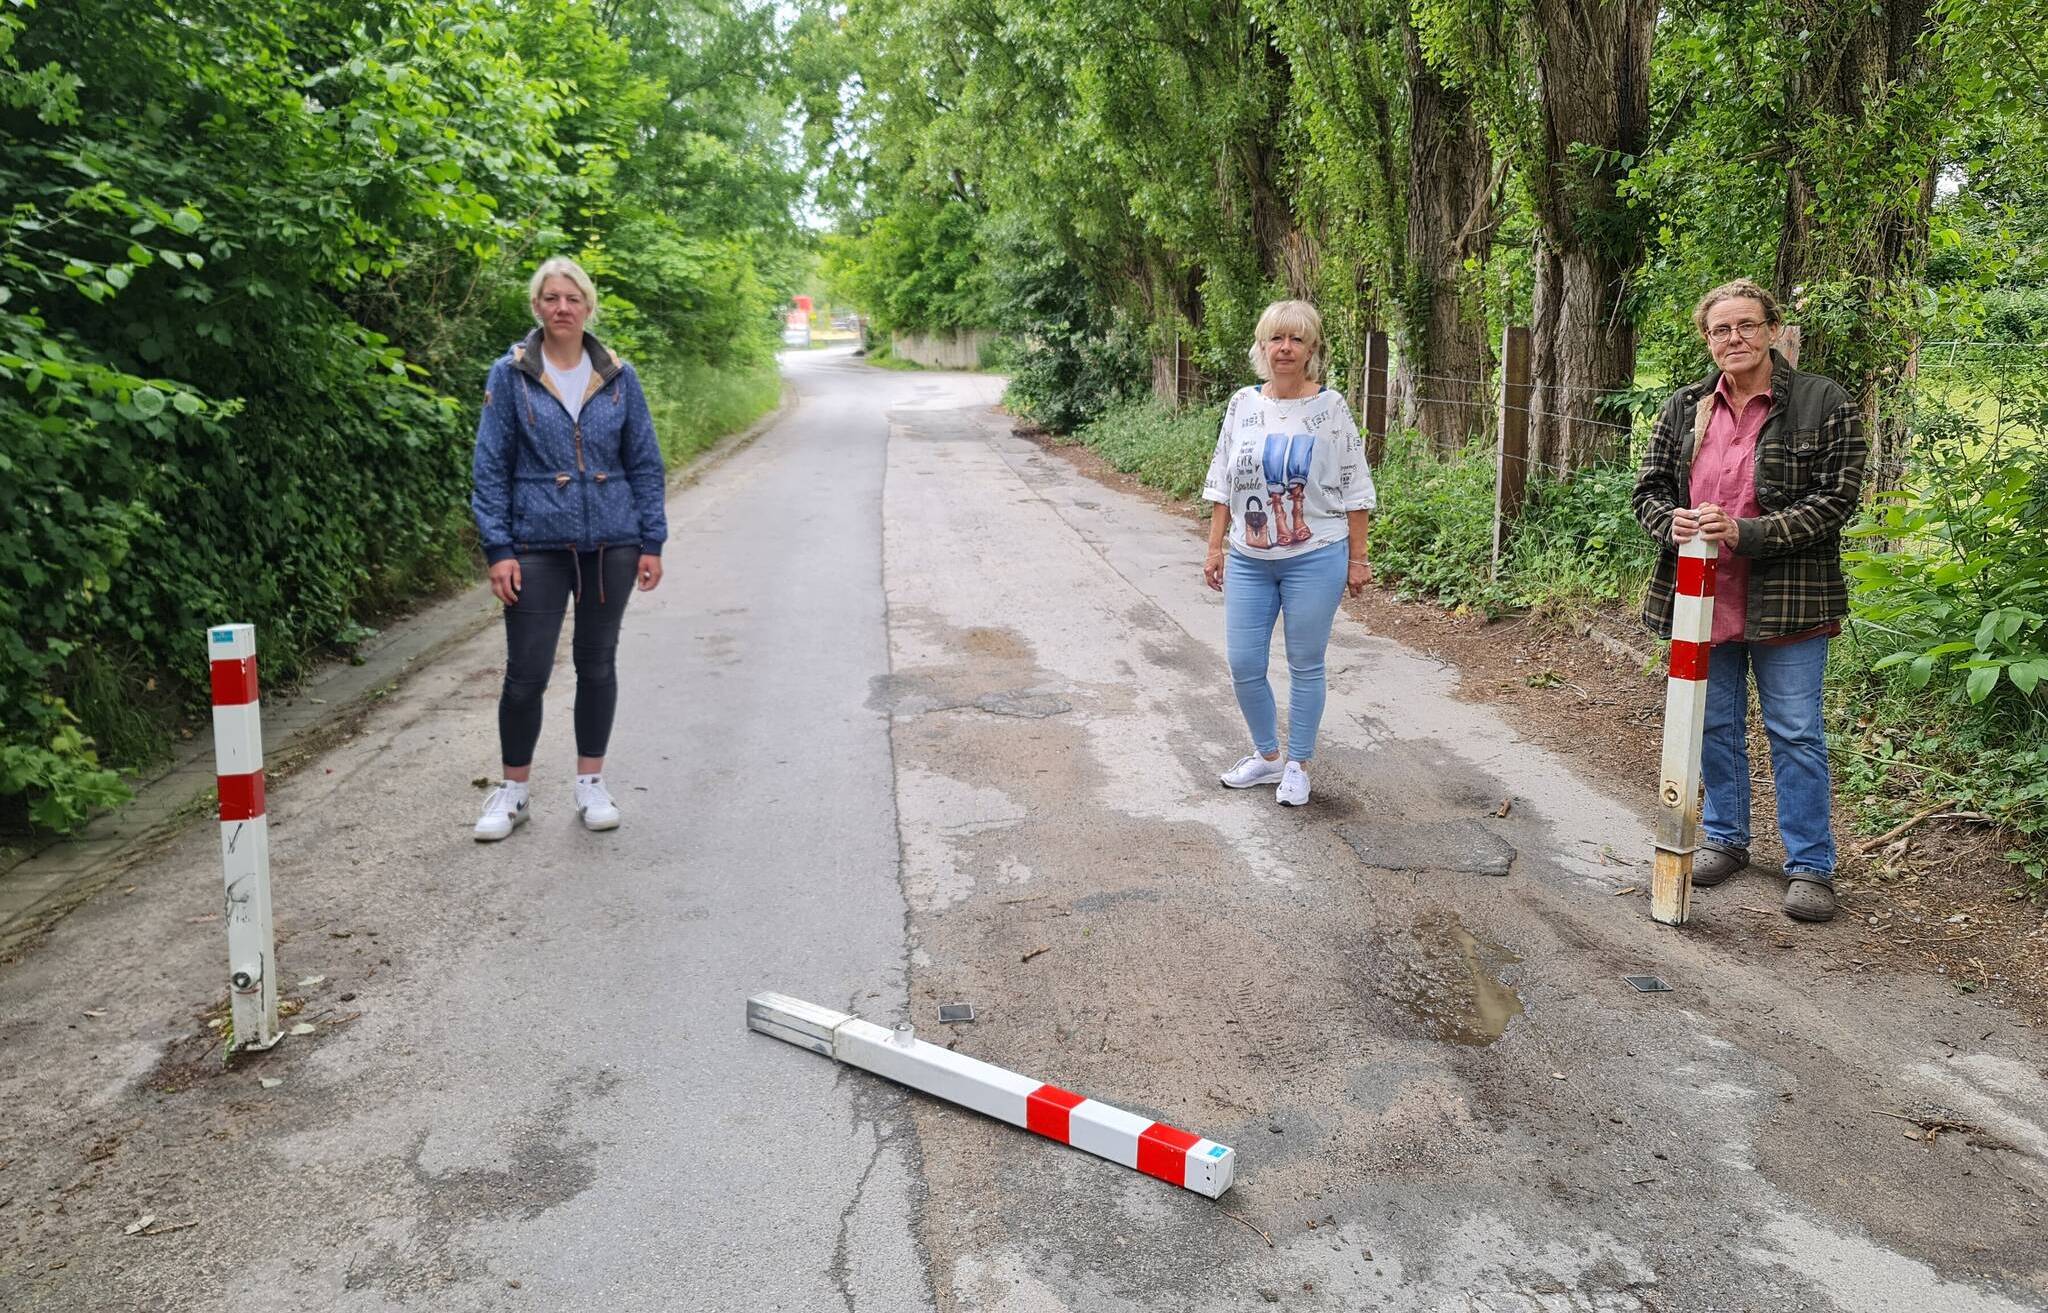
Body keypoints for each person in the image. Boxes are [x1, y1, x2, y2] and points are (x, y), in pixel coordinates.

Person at [1631, 277, 1866, 922]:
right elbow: (1648, 490)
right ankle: (1727, 838)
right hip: (1702, 595)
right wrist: (1669, 522)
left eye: (1745, 326)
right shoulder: (1685, 407)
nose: (1733, 339)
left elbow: (1836, 502)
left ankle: (1811, 866)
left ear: (1770, 330)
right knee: (1713, 722)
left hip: (1789, 599)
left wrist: (1747, 532)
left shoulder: (1823, 403)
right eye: (1719, 329)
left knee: (1795, 731)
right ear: (1707, 338)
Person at [469, 257, 668, 840]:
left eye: (572, 298)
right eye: (551, 298)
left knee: (597, 662)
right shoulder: (509, 375)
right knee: (526, 672)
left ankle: (590, 783)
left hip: (614, 542)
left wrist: (651, 537)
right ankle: (513, 793)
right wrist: (498, 547)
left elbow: (645, 464)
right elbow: (489, 467)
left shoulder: (618, 375)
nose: (562, 307)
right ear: (537, 307)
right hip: (534, 541)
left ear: (588, 306)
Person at [1202, 300, 1377, 807]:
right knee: (1243, 662)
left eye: (1296, 340)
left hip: (1315, 554)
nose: (1285, 348)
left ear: (1311, 349)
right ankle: (1267, 756)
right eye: (1276, 339)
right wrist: (1214, 547)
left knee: (1305, 662)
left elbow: (1354, 485)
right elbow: (1222, 479)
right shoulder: (1242, 404)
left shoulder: (1331, 408)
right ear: (1261, 347)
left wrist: (1358, 559)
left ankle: (1298, 764)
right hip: (1249, 558)